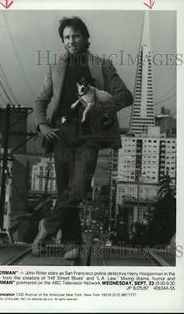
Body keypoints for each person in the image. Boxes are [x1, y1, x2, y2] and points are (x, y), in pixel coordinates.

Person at [33, 16, 133, 259]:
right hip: (60, 135)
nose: (71, 41)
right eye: (66, 37)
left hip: (90, 135)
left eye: (75, 36)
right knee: (66, 188)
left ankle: (46, 226)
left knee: (78, 187)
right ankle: (72, 243)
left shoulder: (102, 65)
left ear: (86, 38)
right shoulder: (56, 67)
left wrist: (100, 109)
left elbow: (125, 96)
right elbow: (40, 101)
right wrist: (43, 125)